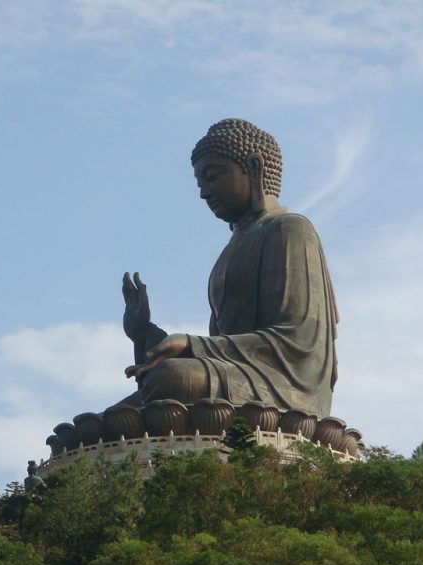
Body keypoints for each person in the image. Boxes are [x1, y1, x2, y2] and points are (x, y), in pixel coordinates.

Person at [122, 119, 338, 417]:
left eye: (213, 177)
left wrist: (190, 345)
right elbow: (219, 349)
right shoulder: (230, 251)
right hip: (235, 378)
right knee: (110, 415)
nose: (204, 193)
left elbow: (297, 343)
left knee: (169, 379)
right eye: (200, 184)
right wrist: (144, 333)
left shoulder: (290, 230)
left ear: (254, 167)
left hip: (284, 387)